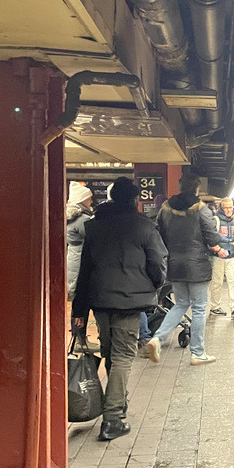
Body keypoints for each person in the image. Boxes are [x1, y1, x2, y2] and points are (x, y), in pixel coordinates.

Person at [72, 177, 167, 441]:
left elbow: (85, 271)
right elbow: (158, 263)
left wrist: (78, 310)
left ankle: (118, 404)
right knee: (124, 357)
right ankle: (113, 419)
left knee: (110, 352)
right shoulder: (144, 226)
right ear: (134, 200)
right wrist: (154, 287)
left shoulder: (94, 226)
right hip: (130, 301)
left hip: (100, 300)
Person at [143, 174, 227, 365]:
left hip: (174, 264)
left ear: (180, 187)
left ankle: (157, 339)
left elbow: (159, 234)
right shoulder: (200, 209)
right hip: (196, 265)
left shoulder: (165, 209)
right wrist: (216, 245)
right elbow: (212, 238)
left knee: (181, 303)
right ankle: (197, 353)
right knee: (198, 308)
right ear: (196, 190)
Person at [209, 197, 234, 318]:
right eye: (226, 208)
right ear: (221, 208)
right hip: (218, 256)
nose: (229, 210)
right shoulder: (216, 220)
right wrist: (218, 250)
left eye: (231, 207)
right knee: (217, 282)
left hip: (231, 256)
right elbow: (210, 238)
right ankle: (215, 307)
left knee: (232, 281)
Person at [65, 182, 94, 301]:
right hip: (81, 257)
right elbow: (93, 237)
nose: (91, 201)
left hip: (73, 255)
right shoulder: (83, 220)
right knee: (81, 292)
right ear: (82, 200)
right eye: (89, 199)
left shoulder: (72, 218)